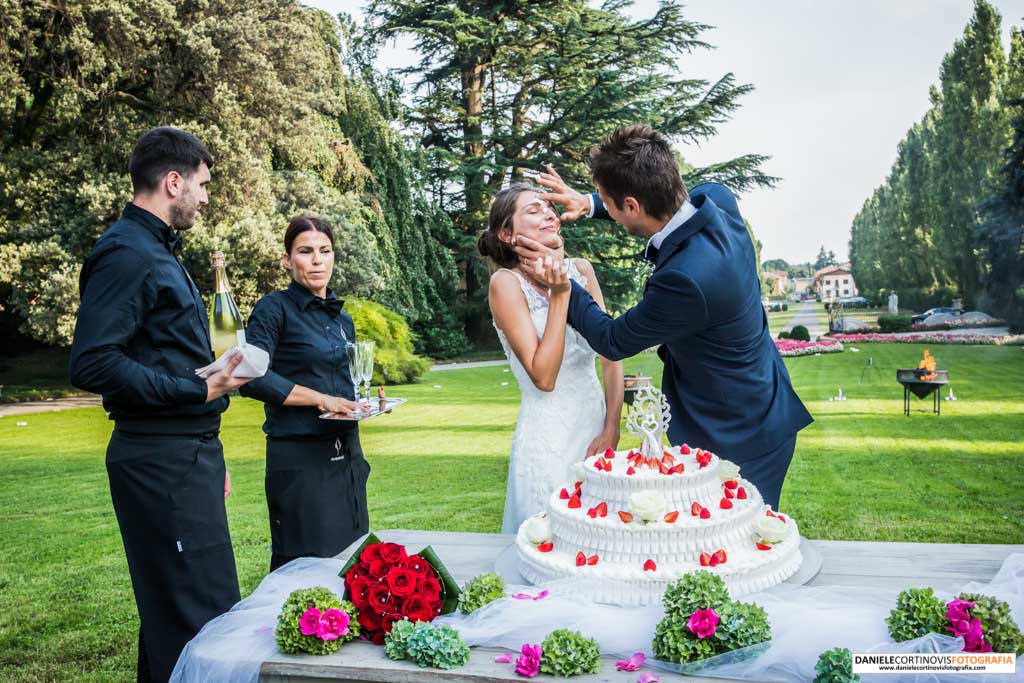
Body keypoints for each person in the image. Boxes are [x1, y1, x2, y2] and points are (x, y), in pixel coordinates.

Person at [520, 124, 812, 509]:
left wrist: (565, 284)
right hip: (759, 399)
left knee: (741, 547)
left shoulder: (688, 280)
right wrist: (590, 203)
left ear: (632, 206)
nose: (607, 210)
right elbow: (655, 197)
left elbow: (612, 339)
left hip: (740, 433)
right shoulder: (715, 198)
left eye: (608, 204)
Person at [69, 126, 247, 682]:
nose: (207, 196)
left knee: (176, 617)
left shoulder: (156, 251)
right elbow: (93, 363)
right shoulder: (127, 253)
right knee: (202, 618)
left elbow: (162, 352)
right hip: (160, 463)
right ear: (174, 181)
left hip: (185, 458)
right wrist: (198, 390)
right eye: (203, 184)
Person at [478, 183, 624, 534]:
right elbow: (544, 377)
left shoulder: (583, 270)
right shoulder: (505, 284)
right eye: (532, 209)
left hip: (595, 431)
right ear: (507, 234)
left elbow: (611, 352)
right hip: (548, 442)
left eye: (547, 207)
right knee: (550, 548)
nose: (546, 212)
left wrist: (612, 427)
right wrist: (561, 294)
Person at [239, 215, 370, 572]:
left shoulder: (342, 319)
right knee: (304, 568)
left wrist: (360, 404)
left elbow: (343, 383)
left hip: (348, 456)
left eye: (325, 251)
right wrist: (319, 399)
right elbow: (250, 376)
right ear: (287, 260)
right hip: (300, 461)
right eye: (306, 251)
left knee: (352, 562)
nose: (317, 260)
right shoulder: (273, 308)